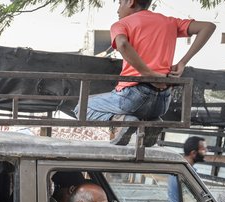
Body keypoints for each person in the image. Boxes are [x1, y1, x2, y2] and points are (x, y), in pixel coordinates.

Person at [77, 0, 215, 146]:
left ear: (130, 2)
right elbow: (208, 26)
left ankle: (121, 121)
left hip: (133, 95)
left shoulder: (121, 24)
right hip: (162, 101)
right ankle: (152, 122)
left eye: (119, 3)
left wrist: (147, 73)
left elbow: (123, 44)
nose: (118, 10)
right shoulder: (169, 22)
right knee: (141, 110)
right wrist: (183, 62)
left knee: (82, 107)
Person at [168, 136, 208, 202]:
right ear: (193, 153)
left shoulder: (182, 169)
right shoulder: (184, 173)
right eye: (203, 149)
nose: (206, 151)